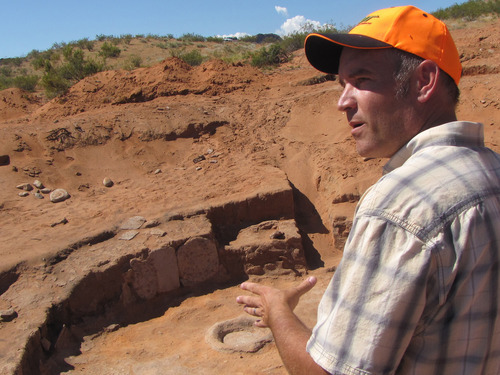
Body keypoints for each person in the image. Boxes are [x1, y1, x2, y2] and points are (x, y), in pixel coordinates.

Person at [236, 5, 500, 375]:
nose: (342, 101)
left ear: (424, 81)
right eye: (341, 83)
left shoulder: (400, 206)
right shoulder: (492, 171)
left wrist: (278, 312)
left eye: (361, 80)